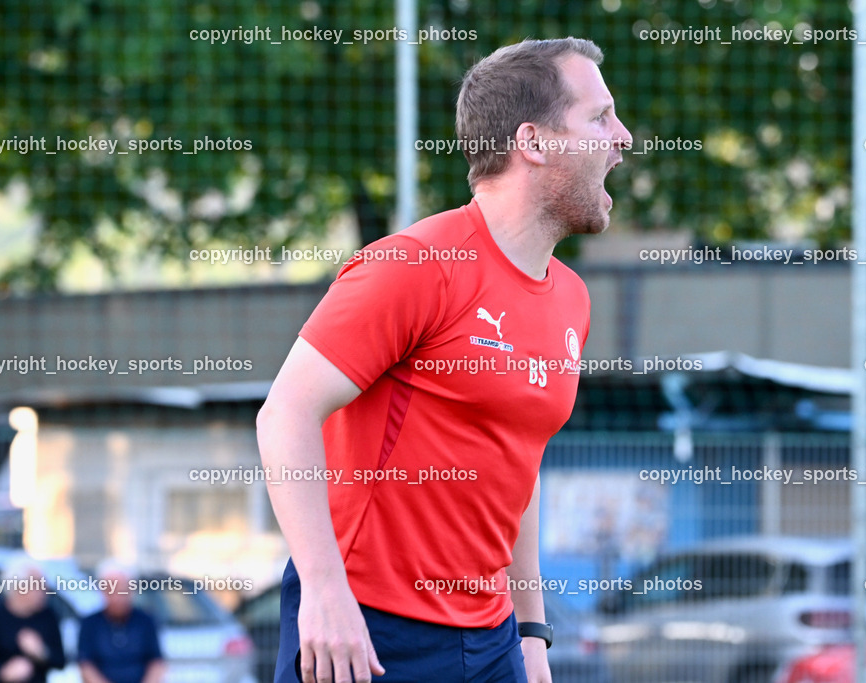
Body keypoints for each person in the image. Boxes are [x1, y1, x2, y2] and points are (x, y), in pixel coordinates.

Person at [257, 37, 631, 683]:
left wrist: (533, 633)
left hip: (490, 639)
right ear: (534, 142)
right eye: (599, 118)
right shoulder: (416, 264)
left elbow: (518, 466)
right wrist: (323, 589)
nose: (622, 137)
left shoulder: (571, 297)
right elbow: (284, 412)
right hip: (367, 629)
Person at [0, 555, 65, 683]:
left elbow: (60, 661)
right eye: (37, 585)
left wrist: (41, 652)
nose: (44, 589)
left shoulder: (48, 616)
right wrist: (2, 672)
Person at [77, 560, 164, 683]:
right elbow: (86, 665)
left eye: (122, 590)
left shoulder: (146, 621)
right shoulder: (90, 624)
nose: (116, 597)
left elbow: (156, 662)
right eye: (110, 590)